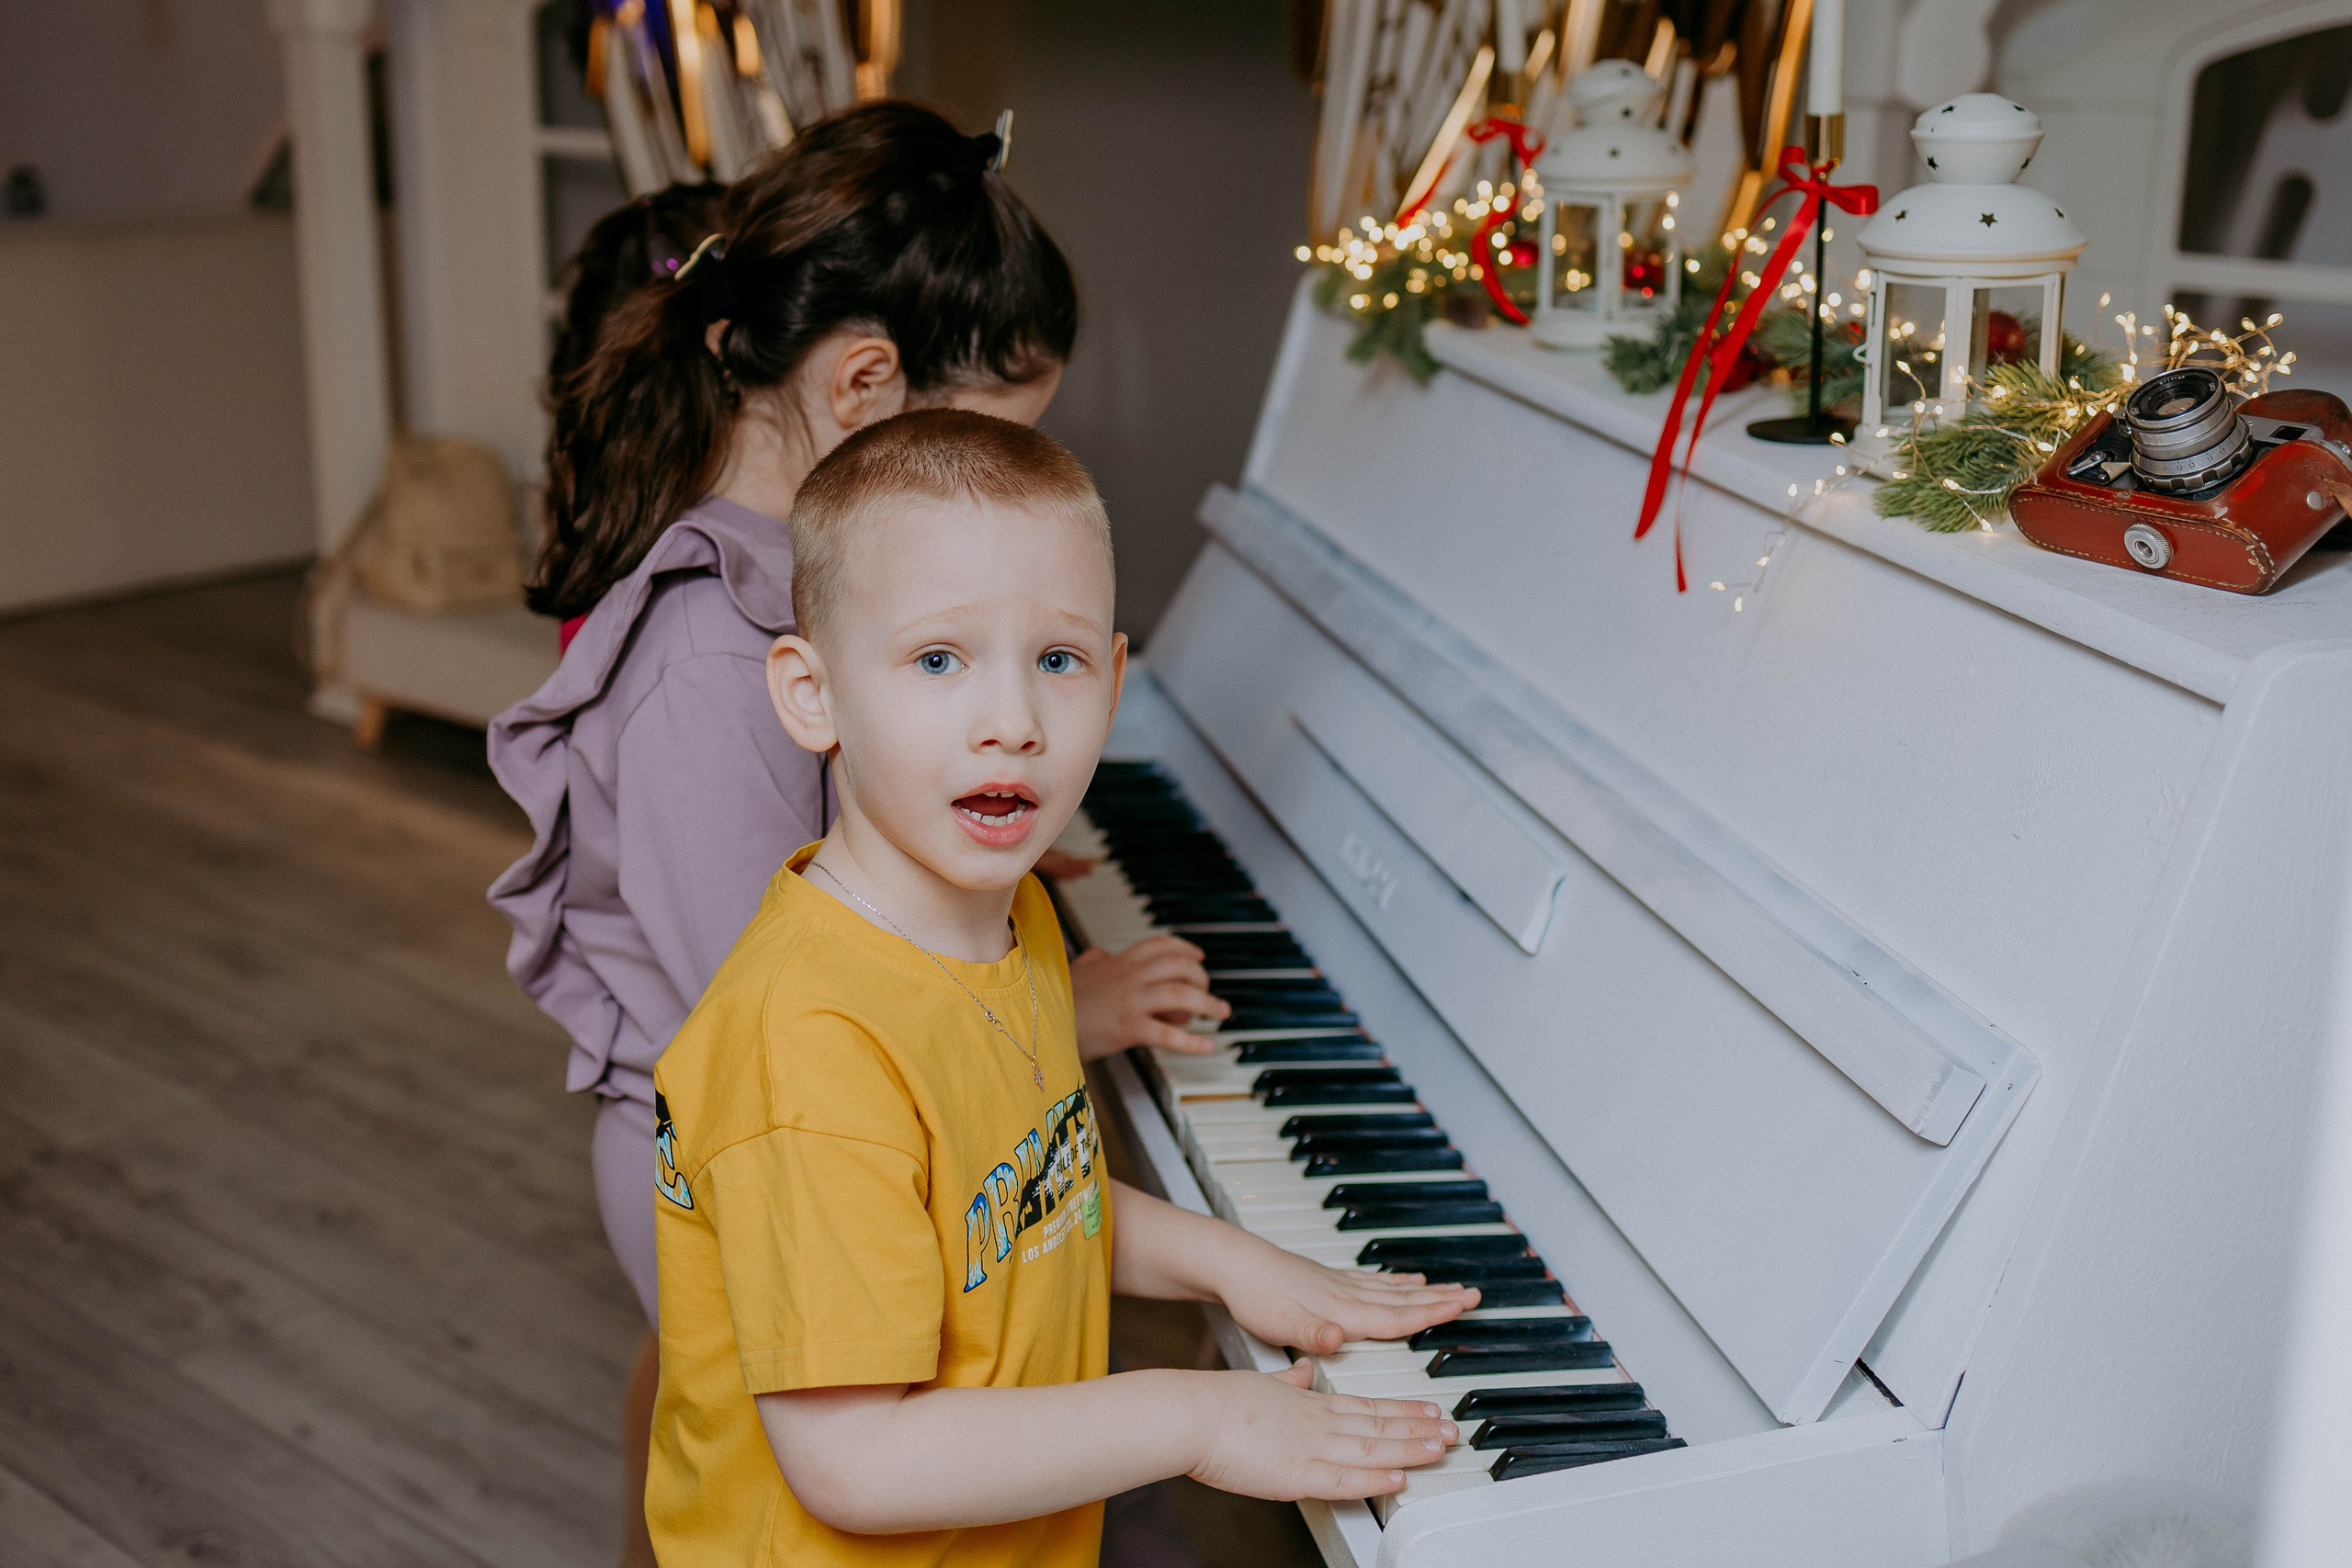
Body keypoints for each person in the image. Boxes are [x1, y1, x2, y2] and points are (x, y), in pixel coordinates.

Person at [487, 104, 1224, 1568]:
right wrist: (1059, 1002)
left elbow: (836, 861)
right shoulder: (709, 670)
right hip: (741, 1148)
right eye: (986, 442)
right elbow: (772, 1021)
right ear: (866, 384)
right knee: (798, 1489)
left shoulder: (796, 589)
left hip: (824, 1119)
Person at [648, 408, 1476, 1566]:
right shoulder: (809, 1049)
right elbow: (854, 1464)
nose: (1012, 724)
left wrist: (1236, 1265)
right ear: (811, 694)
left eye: (1058, 660)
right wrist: (1197, 1415)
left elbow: (1030, 1202)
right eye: (939, 660)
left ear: (1115, 677)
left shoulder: (1012, 917)